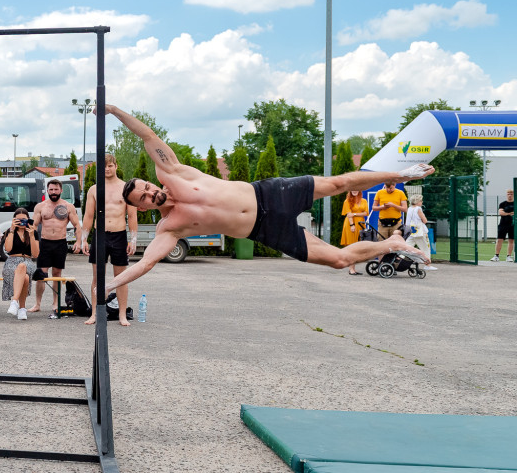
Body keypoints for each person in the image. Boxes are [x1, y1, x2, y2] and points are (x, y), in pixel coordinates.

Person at [98, 104, 434, 295]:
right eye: (144, 197)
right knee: (339, 260)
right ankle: (393, 244)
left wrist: (113, 110)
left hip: (269, 193)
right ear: (142, 208)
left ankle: (398, 175)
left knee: (339, 183)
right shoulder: (169, 230)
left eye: (146, 185)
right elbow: (145, 264)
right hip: (265, 231)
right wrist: (108, 285)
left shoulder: (174, 174)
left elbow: (147, 135)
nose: (150, 192)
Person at [80, 154, 137, 325]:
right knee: (98, 278)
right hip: (100, 235)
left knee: (121, 277)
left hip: (119, 235)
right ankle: (96, 313)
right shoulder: (94, 189)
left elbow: (132, 215)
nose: (107, 169)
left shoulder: (126, 188)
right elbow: (89, 216)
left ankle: (121, 314)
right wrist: (83, 239)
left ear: (116, 166)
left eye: (110, 165)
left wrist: (133, 239)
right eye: (104, 166)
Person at [31, 179, 82, 314]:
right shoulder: (40, 206)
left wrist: (78, 242)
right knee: (41, 274)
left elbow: (77, 225)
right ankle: (37, 304)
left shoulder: (68, 206)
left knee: (57, 274)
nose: (53, 192)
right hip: (45, 243)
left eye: (56, 189)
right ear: (47, 191)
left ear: (61, 190)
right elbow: (34, 227)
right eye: (51, 190)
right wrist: (32, 243)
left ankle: (55, 303)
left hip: (60, 243)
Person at [2, 208, 40, 320]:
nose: (21, 222)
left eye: (24, 220)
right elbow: (8, 249)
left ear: (28, 220)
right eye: (18, 220)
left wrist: (32, 235)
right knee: (26, 278)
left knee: (22, 266)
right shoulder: (10, 231)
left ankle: (14, 302)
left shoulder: (33, 233)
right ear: (14, 220)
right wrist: (12, 230)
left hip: (28, 262)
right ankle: (22, 309)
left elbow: (35, 254)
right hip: (11, 262)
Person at [340, 190, 369, 276]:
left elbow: (366, 213)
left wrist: (355, 214)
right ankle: (351, 269)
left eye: (356, 189)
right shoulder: (347, 201)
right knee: (352, 246)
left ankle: (353, 268)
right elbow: (349, 215)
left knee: (358, 247)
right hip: (351, 225)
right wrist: (352, 225)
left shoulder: (364, 200)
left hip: (361, 224)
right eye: (353, 189)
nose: (355, 191)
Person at [404, 193, 435, 270]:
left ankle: (400, 260)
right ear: (417, 201)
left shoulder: (409, 209)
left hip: (411, 231)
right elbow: (424, 220)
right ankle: (427, 265)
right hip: (420, 232)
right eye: (421, 200)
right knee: (425, 248)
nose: (422, 202)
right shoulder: (418, 209)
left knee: (406, 247)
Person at [491, 189, 514, 262]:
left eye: (511, 193)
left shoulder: (515, 203)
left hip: (513, 224)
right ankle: (496, 256)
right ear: (506, 194)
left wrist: (506, 212)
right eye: (508, 193)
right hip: (503, 224)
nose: (510, 195)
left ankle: (509, 256)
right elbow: (501, 213)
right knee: (499, 240)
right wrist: (510, 213)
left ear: (513, 194)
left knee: (511, 240)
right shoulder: (502, 204)